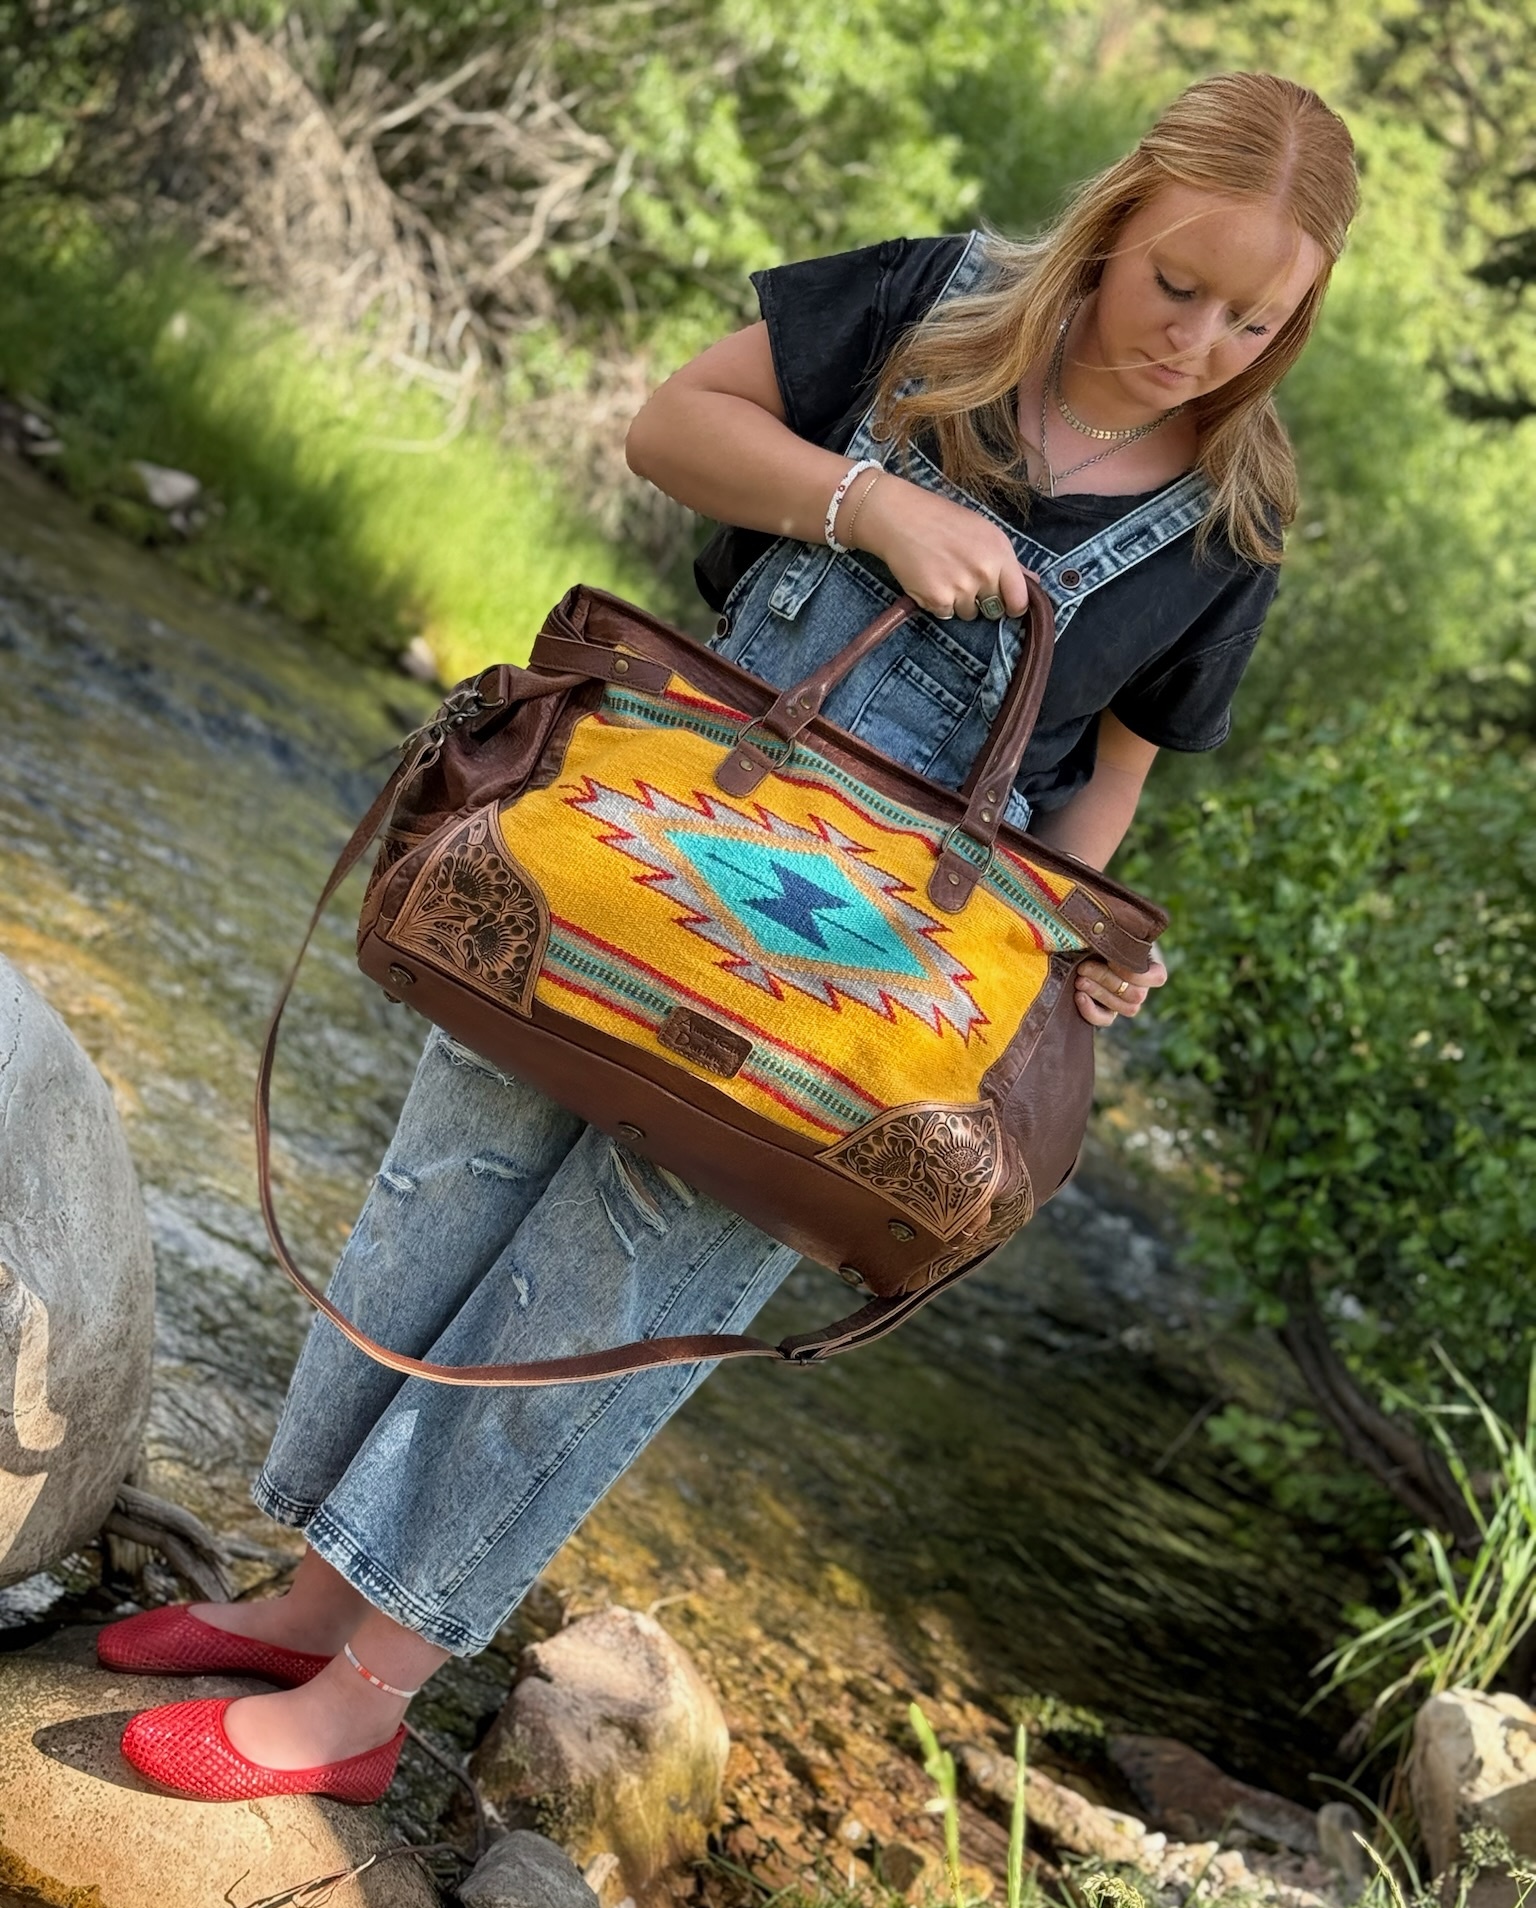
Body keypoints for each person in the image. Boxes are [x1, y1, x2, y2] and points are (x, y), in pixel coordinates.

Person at [101, 71, 1358, 1802]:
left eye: (1255, 318)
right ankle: (315, 1603)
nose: (1200, 341)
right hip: (623, 844)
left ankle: (362, 1705)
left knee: (614, 1292)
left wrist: (1084, 959)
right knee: (448, 1193)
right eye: (1177, 286)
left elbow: (1098, 811)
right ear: (1118, 220)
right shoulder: (932, 307)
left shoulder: (1229, 531)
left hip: (854, 1001)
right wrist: (871, 505)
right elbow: (668, 428)